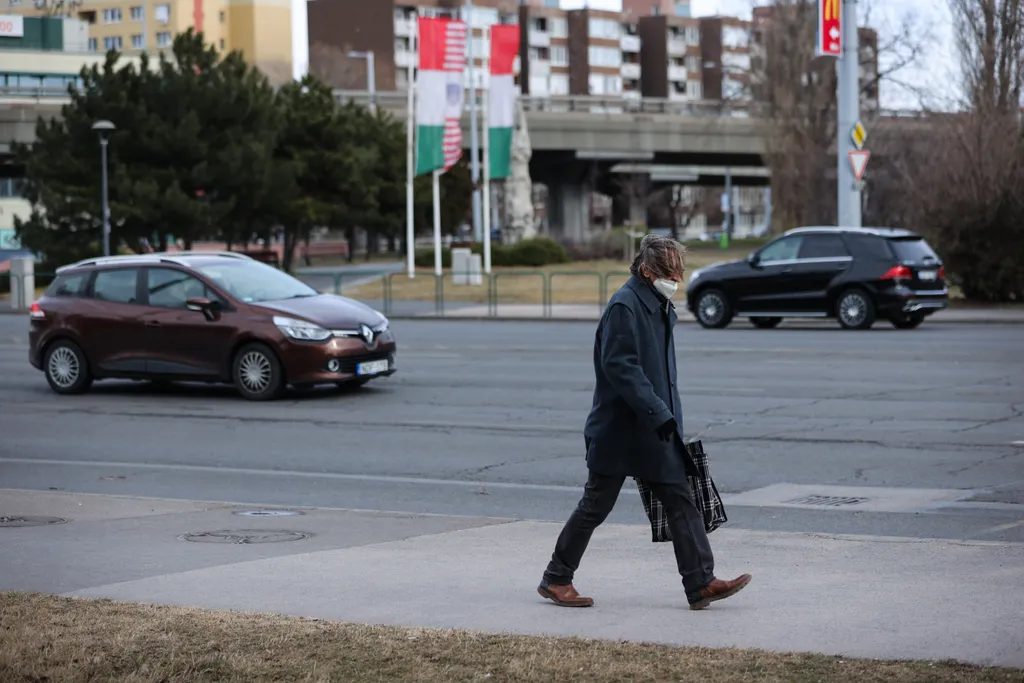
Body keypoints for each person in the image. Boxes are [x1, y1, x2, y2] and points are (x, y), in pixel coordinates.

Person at [537, 234, 751, 611]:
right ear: (648, 270)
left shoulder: (656, 303)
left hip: (654, 428)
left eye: (680, 271)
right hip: (620, 432)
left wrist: (666, 417)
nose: (678, 280)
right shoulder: (625, 305)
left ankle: (701, 583)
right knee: (595, 505)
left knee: (680, 499)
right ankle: (556, 578)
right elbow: (621, 368)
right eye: (671, 273)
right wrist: (659, 413)